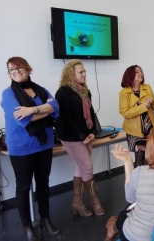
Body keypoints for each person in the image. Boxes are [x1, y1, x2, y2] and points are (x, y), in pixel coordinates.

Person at [1, 57, 60, 241]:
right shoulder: (8, 93)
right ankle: (26, 226)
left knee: (43, 182)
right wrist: (43, 109)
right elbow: (21, 119)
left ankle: (45, 218)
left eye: (19, 68)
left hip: (44, 144)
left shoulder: (40, 90)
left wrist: (31, 110)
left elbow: (56, 107)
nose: (16, 71)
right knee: (24, 186)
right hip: (21, 147)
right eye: (11, 69)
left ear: (28, 69)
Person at [55, 59, 104, 217]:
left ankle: (77, 202)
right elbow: (67, 119)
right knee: (88, 168)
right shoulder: (63, 92)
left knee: (81, 168)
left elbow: (90, 113)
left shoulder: (85, 90)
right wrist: (81, 136)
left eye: (84, 72)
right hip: (71, 137)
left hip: (86, 136)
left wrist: (93, 132)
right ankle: (95, 202)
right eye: (80, 72)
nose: (84, 74)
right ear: (71, 74)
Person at [119, 65, 154, 168]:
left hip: (150, 129)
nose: (140, 73)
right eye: (137, 72)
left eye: (140, 71)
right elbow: (125, 113)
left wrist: (153, 102)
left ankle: (151, 180)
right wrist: (143, 106)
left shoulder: (147, 87)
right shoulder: (124, 93)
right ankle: (137, 181)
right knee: (140, 156)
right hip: (135, 131)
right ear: (130, 75)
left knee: (152, 156)